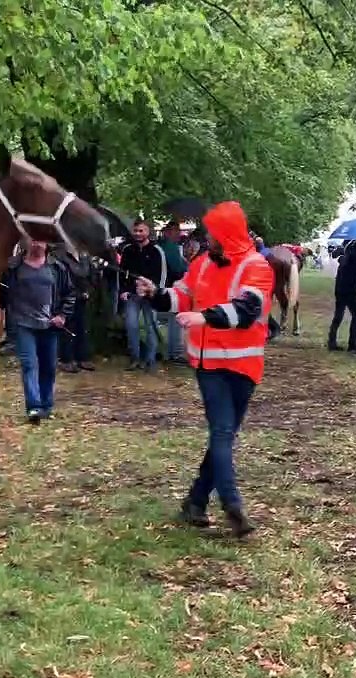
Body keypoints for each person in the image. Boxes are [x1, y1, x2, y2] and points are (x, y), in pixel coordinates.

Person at [136, 201, 273, 538]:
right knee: (222, 432)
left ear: (226, 234)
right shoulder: (201, 263)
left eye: (211, 233)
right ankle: (232, 504)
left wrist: (203, 317)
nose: (205, 238)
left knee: (223, 436)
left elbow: (247, 310)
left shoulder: (257, 266)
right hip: (208, 364)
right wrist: (156, 294)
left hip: (244, 366)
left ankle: (195, 502)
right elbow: (181, 296)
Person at [0, 238, 76, 424]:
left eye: (40, 240)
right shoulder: (13, 267)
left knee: (48, 366)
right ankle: (33, 407)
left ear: (47, 244)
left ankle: (46, 405)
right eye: (32, 239)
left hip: (50, 324)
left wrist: (62, 315)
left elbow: (70, 294)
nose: (36, 244)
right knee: (29, 364)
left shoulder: (57, 267)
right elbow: (0, 293)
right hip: (22, 323)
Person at [119, 220, 168, 372]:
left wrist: (155, 292)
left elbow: (162, 274)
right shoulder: (127, 250)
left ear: (148, 232)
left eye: (141, 231)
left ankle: (150, 360)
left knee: (150, 326)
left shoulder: (156, 250)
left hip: (150, 295)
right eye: (136, 231)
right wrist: (124, 290)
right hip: (132, 294)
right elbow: (122, 272)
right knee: (131, 325)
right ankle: (135, 358)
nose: (138, 234)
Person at [54, 244, 96, 373]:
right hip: (66, 297)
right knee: (67, 328)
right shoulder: (59, 256)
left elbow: (91, 275)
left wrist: (88, 291)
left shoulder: (85, 256)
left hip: (83, 297)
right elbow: (61, 279)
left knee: (82, 327)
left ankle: (82, 357)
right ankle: (66, 359)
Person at [157, 221, 189, 365]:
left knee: (171, 319)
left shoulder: (161, 246)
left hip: (161, 286)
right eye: (176, 231)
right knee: (175, 318)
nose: (178, 234)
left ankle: (169, 352)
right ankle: (174, 354)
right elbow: (178, 269)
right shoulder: (170, 247)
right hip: (171, 286)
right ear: (168, 232)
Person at [328, 240, 356, 351]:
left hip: (340, 289)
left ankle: (332, 341)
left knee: (338, 316)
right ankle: (352, 343)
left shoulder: (344, 257)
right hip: (351, 291)